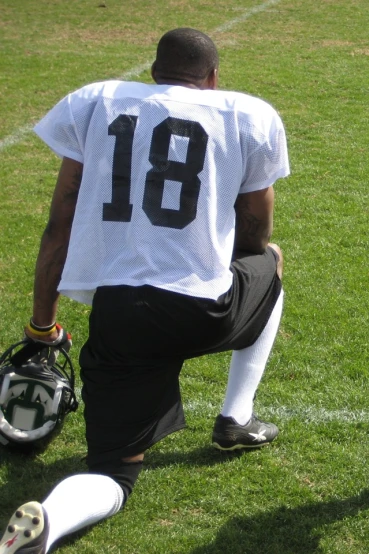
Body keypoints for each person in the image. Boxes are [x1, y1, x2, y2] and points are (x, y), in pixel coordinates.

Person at [0, 28, 289, 554]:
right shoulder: (248, 113)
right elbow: (255, 231)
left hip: (120, 312)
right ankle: (236, 417)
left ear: (152, 72)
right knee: (269, 260)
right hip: (205, 309)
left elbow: (59, 223)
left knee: (114, 473)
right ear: (214, 78)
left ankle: (54, 517)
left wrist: (43, 324)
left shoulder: (97, 101)